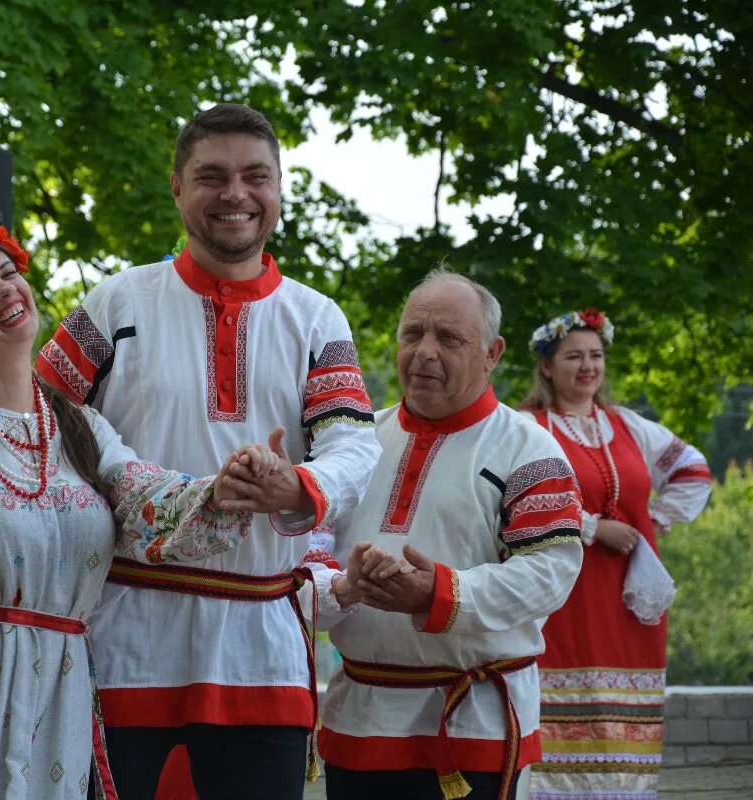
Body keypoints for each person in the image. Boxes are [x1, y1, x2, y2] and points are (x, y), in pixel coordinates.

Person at [0, 215, 266, 799]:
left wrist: (225, 486)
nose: (6, 289)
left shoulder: (78, 424)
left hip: (57, 692)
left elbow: (143, 496)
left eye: (9, 274)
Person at [36, 103, 382, 799]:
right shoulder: (116, 302)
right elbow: (35, 423)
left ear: (279, 188)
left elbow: (353, 443)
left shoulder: (316, 317)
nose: (235, 194)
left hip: (261, 642)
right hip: (127, 633)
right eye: (211, 176)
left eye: (255, 176)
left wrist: (297, 486)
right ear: (176, 187)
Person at [303, 268, 584, 800]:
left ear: (492, 352)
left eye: (449, 338)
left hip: (471, 726)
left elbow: (550, 574)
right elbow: (307, 552)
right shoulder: (354, 447)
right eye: (413, 334)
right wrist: (346, 585)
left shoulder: (530, 451)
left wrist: (440, 593)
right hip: (357, 717)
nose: (425, 351)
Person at [518, 310, 712, 800]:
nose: (588, 367)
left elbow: (693, 470)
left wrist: (654, 523)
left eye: (596, 356)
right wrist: (591, 527)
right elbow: (510, 500)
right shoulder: (527, 427)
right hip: (562, 592)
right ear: (547, 366)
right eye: (574, 356)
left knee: (624, 718)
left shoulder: (628, 425)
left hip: (625, 598)